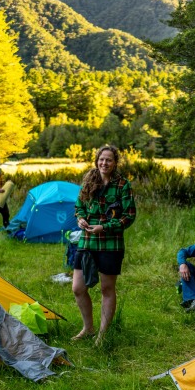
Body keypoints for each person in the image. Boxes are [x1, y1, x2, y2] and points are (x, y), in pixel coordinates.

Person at [72, 145, 137, 346]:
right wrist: (81, 219)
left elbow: (129, 216)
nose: (104, 163)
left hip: (111, 243)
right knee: (78, 288)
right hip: (87, 242)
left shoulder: (122, 185)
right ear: (97, 161)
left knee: (106, 289)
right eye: (101, 159)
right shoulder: (89, 181)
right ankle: (88, 327)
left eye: (109, 160)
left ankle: (102, 334)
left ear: (115, 163)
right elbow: (79, 207)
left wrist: (105, 227)